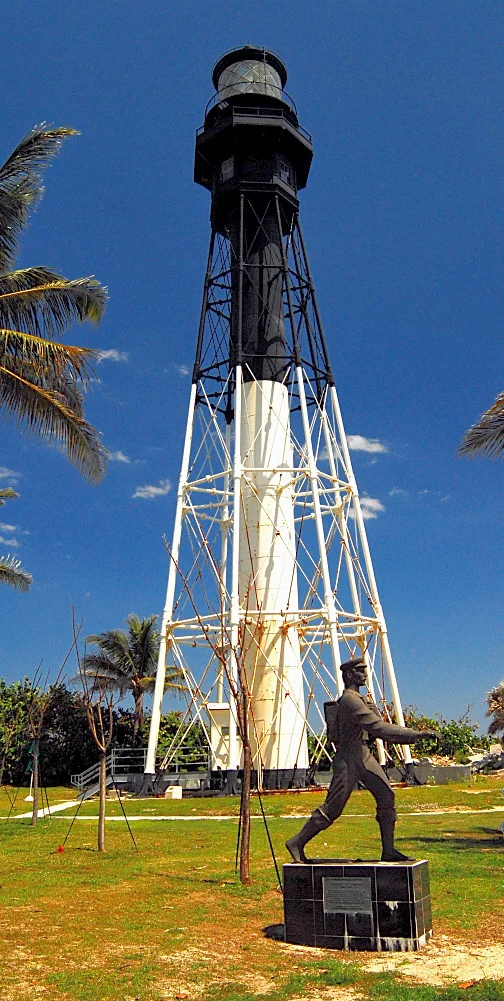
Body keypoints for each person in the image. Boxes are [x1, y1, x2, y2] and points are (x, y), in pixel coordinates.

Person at [286, 658, 439, 863]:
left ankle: (389, 850)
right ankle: (297, 842)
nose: (364, 674)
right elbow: (378, 728)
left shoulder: (362, 699)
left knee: (387, 796)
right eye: (359, 671)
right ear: (349, 675)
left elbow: (377, 727)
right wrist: (415, 735)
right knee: (333, 808)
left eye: (365, 670)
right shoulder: (350, 700)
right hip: (349, 758)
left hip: (364, 755)